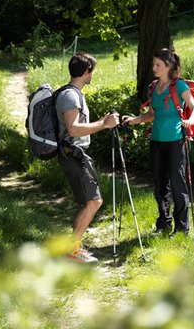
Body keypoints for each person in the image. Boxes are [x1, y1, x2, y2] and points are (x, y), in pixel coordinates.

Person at [122, 48, 194, 237]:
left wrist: (190, 121)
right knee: (159, 186)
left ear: (169, 66)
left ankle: (182, 229)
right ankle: (163, 224)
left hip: (175, 142)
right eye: (153, 64)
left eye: (158, 65)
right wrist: (133, 120)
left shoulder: (179, 86)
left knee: (177, 185)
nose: (154, 68)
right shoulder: (153, 87)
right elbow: (151, 114)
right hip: (156, 141)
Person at [55, 52, 119, 263]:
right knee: (94, 201)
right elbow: (73, 129)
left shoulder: (73, 94)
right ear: (85, 72)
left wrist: (103, 122)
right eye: (92, 70)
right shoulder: (70, 96)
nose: (93, 74)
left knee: (90, 201)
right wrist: (104, 124)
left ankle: (74, 247)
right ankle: (73, 251)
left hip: (74, 154)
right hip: (72, 154)